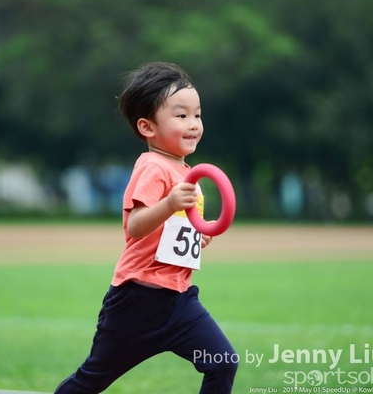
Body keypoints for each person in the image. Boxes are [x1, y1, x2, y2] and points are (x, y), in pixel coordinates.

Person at [54, 62, 238, 393]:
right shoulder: (153, 166)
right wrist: (169, 204)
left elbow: (173, 233)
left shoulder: (187, 173)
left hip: (179, 303)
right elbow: (135, 226)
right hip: (136, 304)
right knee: (92, 380)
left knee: (223, 361)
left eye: (197, 115)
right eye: (181, 116)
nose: (193, 124)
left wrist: (199, 235)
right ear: (147, 126)